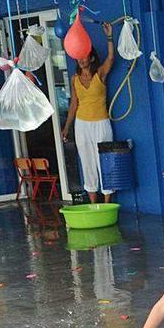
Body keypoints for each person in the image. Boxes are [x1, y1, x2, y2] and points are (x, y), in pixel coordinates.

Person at [61, 22, 116, 203]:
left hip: (101, 121)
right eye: (79, 57)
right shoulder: (75, 78)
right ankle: (93, 203)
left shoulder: (100, 74)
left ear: (91, 58)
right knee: (87, 161)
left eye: (85, 56)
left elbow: (110, 58)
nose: (82, 60)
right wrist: (67, 127)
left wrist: (109, 36)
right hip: (82, 123)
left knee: (104, 161)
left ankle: (107, 203)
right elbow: (74, 105)